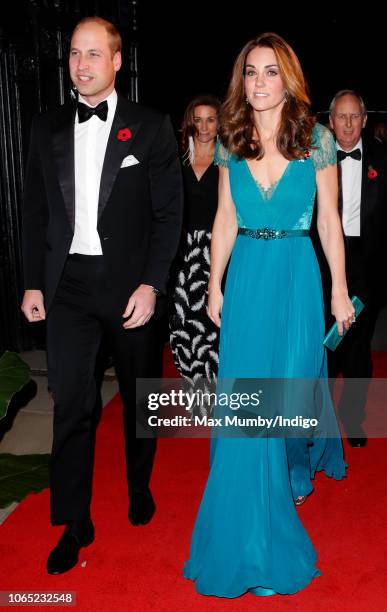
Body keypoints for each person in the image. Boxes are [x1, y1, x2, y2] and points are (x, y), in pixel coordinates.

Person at [183, 33, 352, 598]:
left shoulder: (319, 140)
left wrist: (339, 291)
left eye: (270, 72)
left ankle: (290, 471)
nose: (258, 82)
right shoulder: (232, 140)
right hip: (250, 274)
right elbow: (226, 217)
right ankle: (251, 527)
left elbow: (329, 221)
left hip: (298, 277)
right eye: (251, 72)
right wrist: (214, 283)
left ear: (289, 79)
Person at [21, 17, 183, 574]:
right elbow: (36, 211)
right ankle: (73, 523)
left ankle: (140, 484)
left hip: (129, 288)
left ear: (117, 61)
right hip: (66, 289)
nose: (81, 64)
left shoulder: (152, 126)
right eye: (73, 54)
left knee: (142, 401)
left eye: (93, 54)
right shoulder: (44, 127)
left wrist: (152, 284)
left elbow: (170, 215)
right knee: (72, 405)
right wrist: (31, 281)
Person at [325, 90, 386, 446]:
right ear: (330, 121)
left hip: (367, 266)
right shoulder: (313, 159)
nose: (347, 124)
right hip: (324, 265)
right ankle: (322, 419)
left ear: (364, 120)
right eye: (340, 117)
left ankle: (352, 417)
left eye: (354, 117)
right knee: (328, 344)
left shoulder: (383, 157)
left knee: (358, 347)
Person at [170, 95, 220, 385]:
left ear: (219, 123)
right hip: (183, 255)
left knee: (216, 325)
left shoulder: (231, 160)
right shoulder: (175, 161)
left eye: (210, 119)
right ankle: (196, 391)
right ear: (189, 123)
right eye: (197, 119)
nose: (203, 126)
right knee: (183, 324)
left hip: (219, 253)